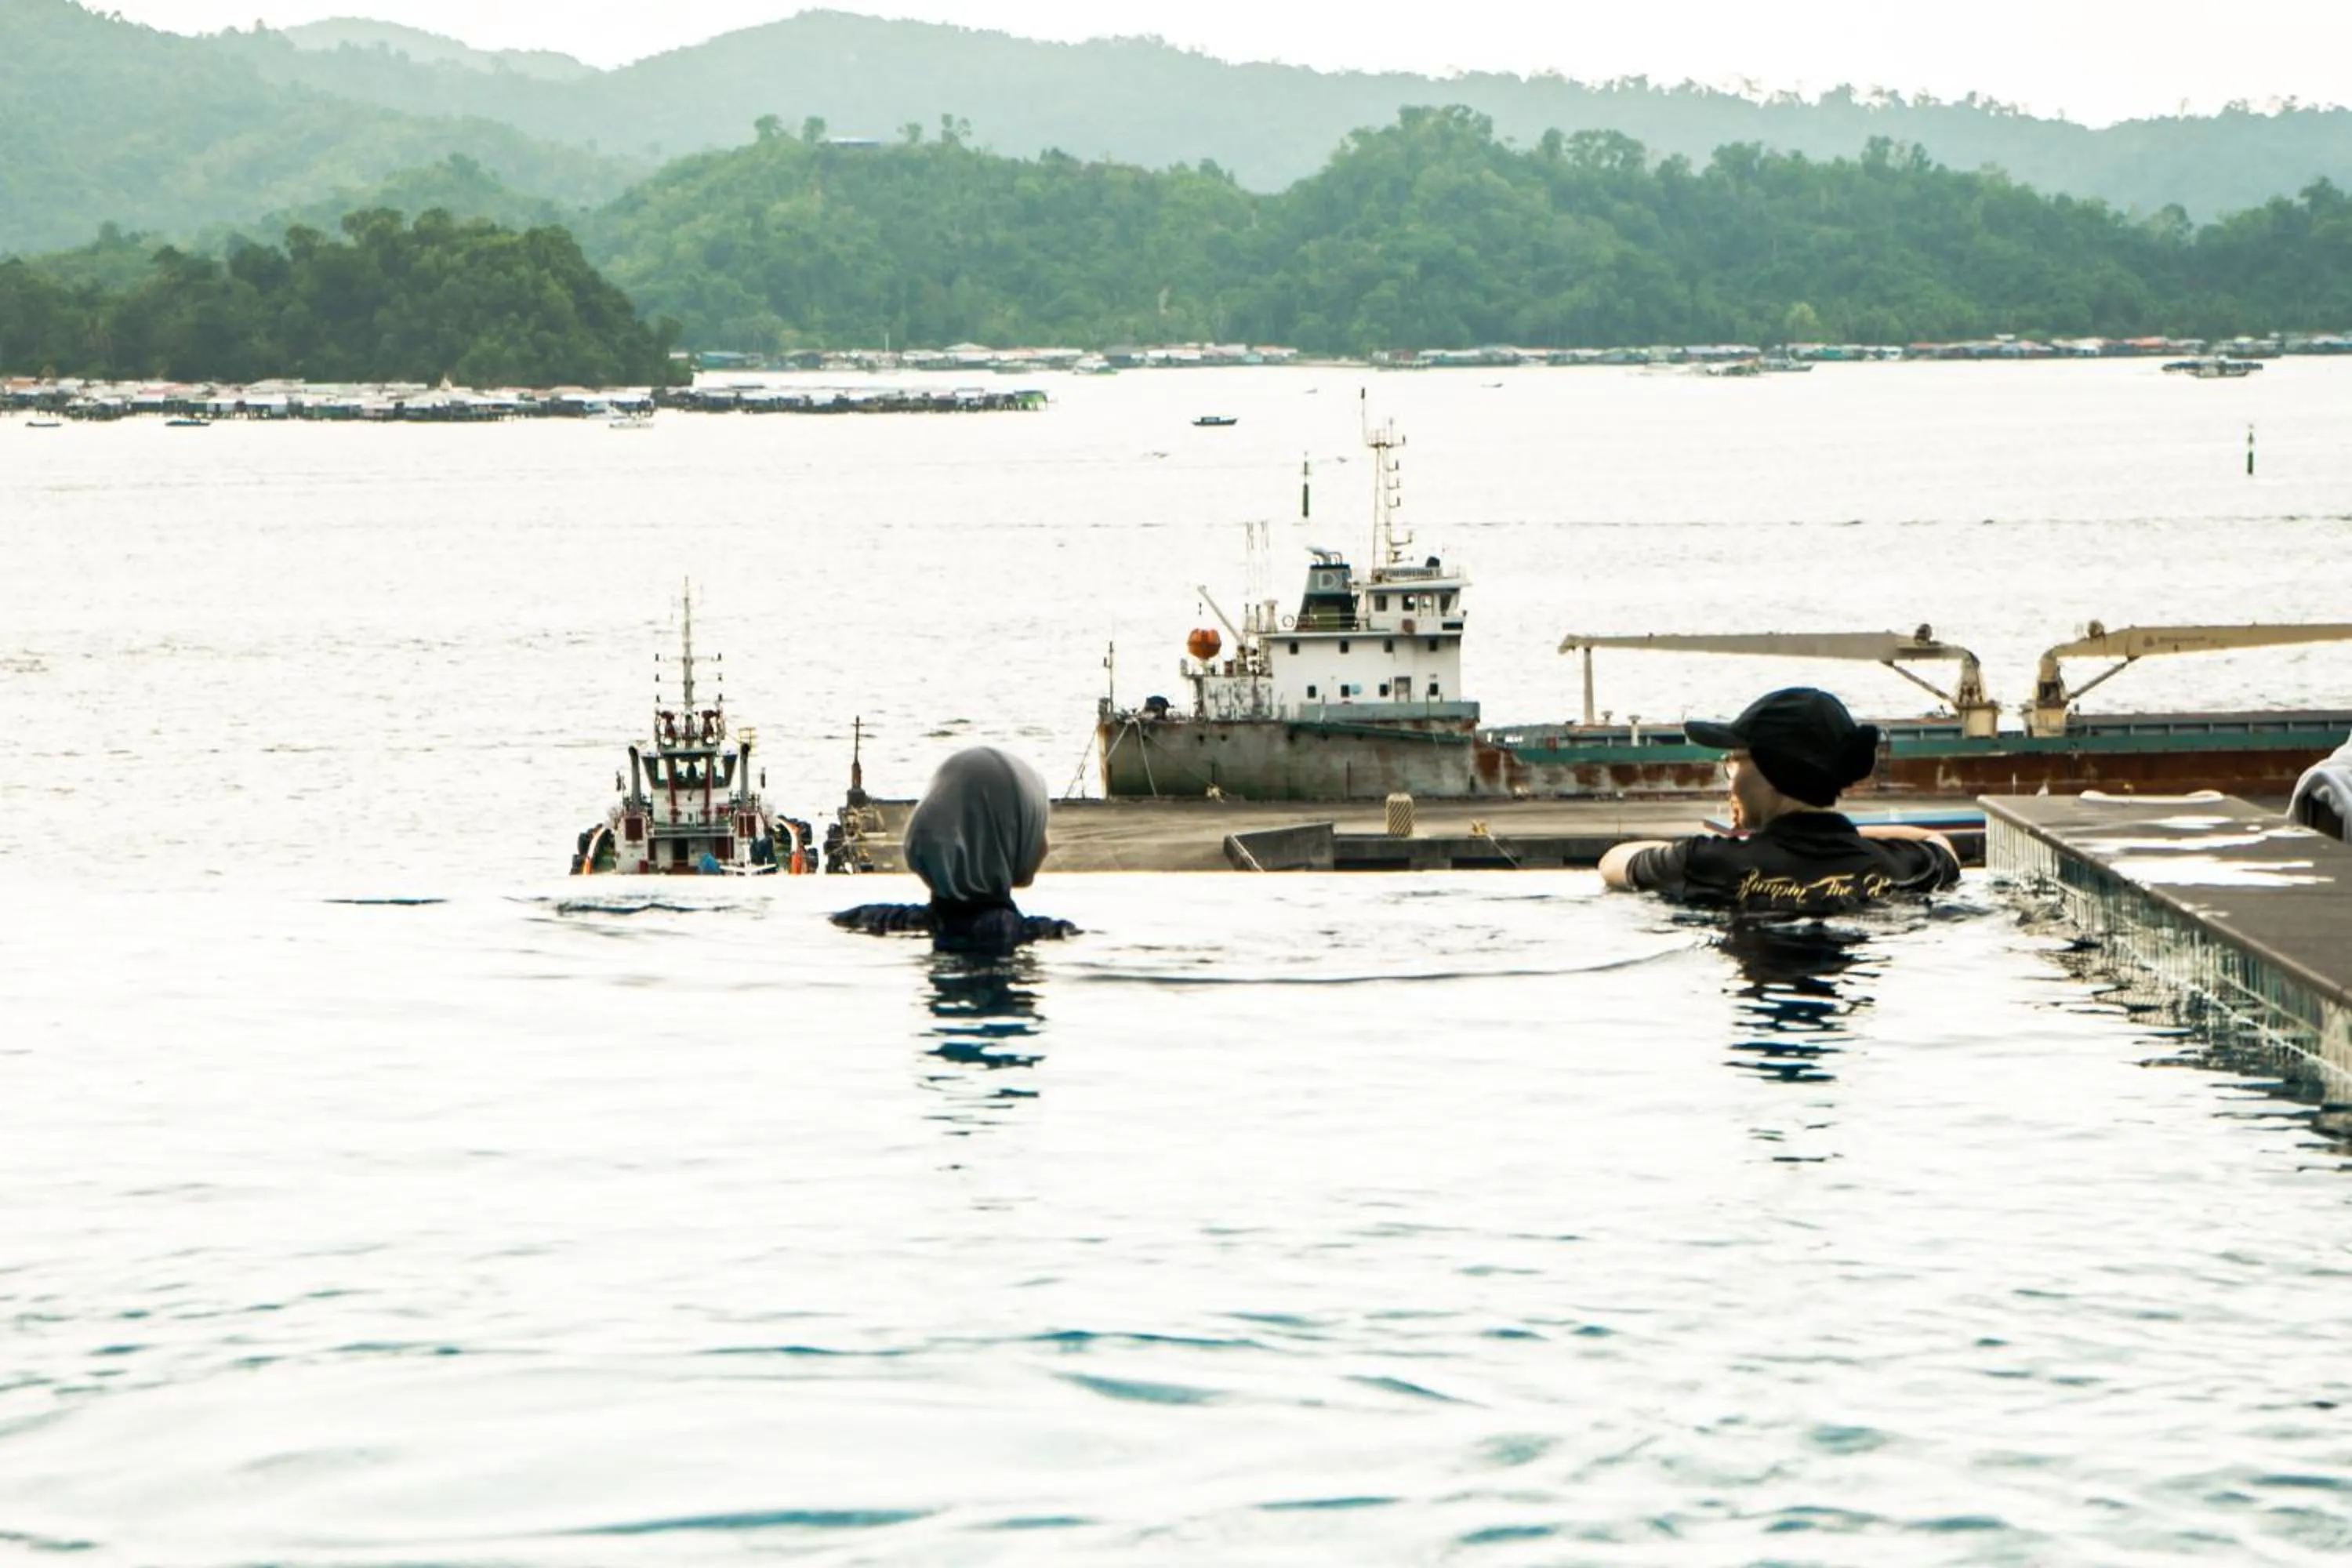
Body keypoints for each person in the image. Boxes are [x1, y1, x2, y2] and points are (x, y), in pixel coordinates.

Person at [1598, 686, 1961, 913]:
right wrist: (1848, 837)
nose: (1731, 779)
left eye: (1734, 761)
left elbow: (1614, 863)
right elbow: (1940, 843)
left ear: (1769, 771)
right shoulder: (1907, 866)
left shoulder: (1706, 861)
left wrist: (1723, 844)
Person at [831, 746, 1079, 949]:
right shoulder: (1050, 934)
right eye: (1035, 826)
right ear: (1006, 840)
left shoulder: (864, 919)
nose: (1046, 844)